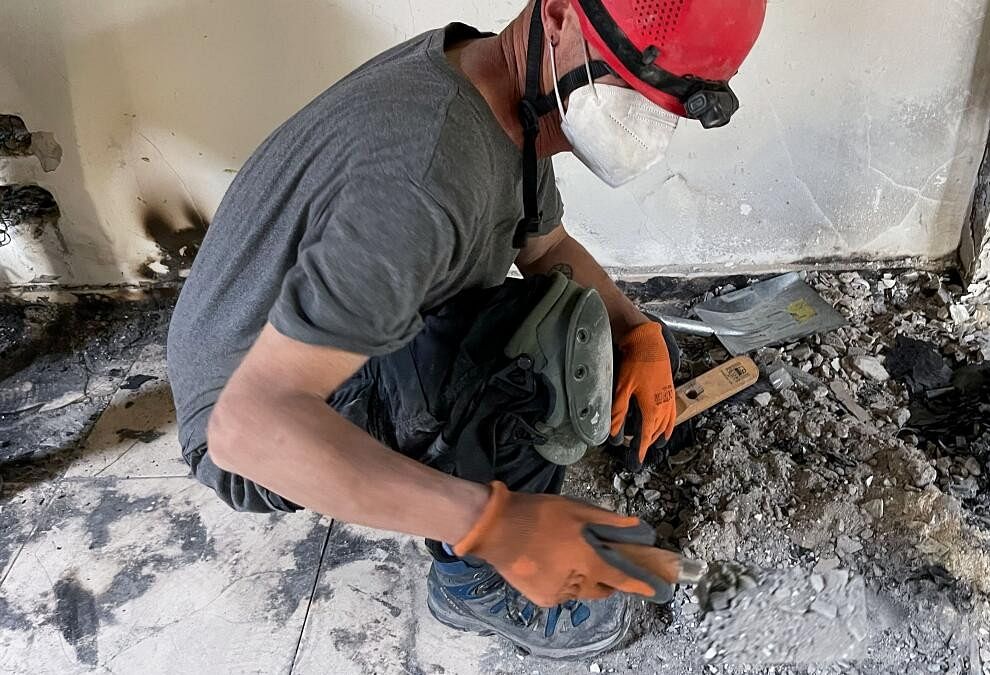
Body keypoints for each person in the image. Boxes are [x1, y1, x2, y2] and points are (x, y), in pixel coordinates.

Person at [167, 0, 766, 659]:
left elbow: (543, 246)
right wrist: (496, 524)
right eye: (629, 87)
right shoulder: (425, 174)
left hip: (287, 338)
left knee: (592, 328)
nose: (645, 126)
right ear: (562, 16)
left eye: (668, 110)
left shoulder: (504, 87)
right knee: (541, 361)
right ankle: (474, 583)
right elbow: (247, 429)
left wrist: (637, 330)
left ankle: (501, 455)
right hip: (259, 408)